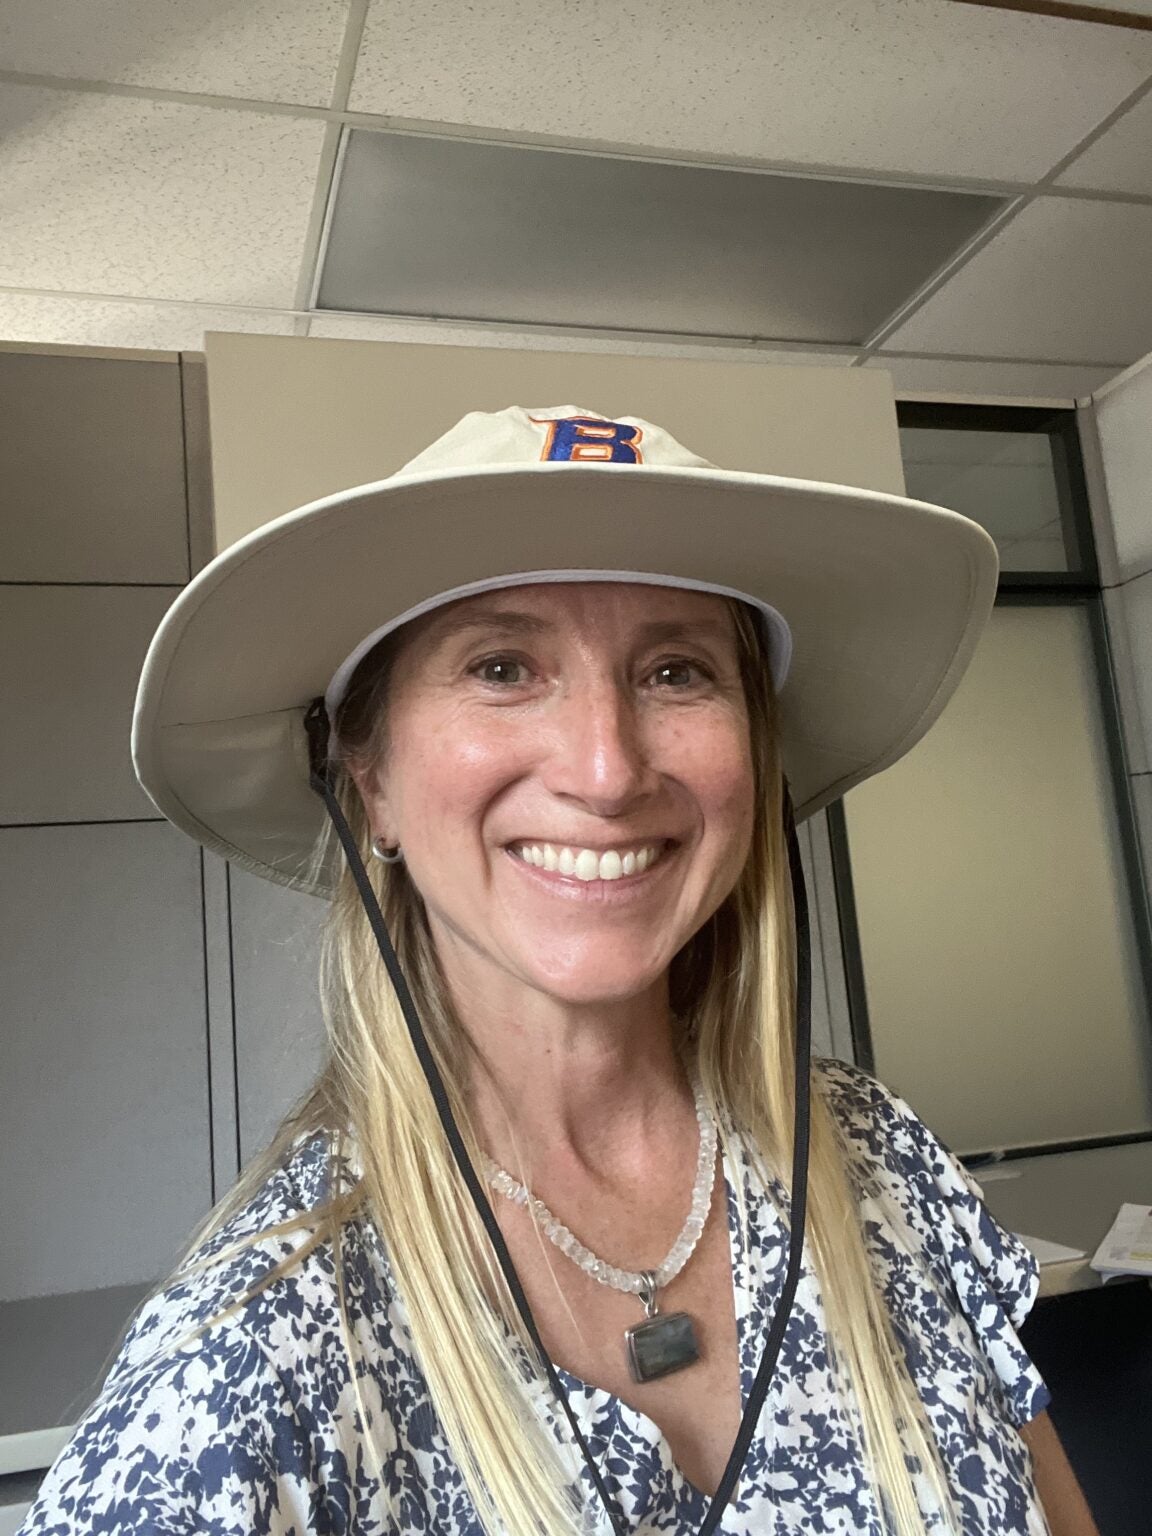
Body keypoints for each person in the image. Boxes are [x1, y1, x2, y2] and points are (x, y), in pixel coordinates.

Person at [18, 405, 1097, 1536]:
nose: (607, 767)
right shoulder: (249, 1361)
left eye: (677, 671)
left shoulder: (874, 1162)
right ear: (367, 778)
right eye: (501, 665)